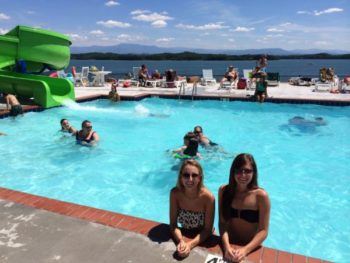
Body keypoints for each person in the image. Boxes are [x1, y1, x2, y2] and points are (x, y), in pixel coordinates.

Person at [219, 153, 270, 263]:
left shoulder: (261, 196)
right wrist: (226, 247)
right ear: (233, 172)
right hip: (230, 244)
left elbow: (263, 231)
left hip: (250, 247)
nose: (243, 175)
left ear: (254, 173)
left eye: (247, 171)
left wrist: (245, 250)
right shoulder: (224, 191)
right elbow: (222, 223)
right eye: (239, 171)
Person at [169, 159, 215, 259]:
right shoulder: (175, 194)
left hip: (204, 238)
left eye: (194, 175)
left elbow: (207, 230)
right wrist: (181, 241)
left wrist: (189, 245)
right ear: (181, 177)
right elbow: (173, 224)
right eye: (186, 175)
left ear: (200, 178)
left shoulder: (208, 198)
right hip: (184, 234)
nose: (190, 179)